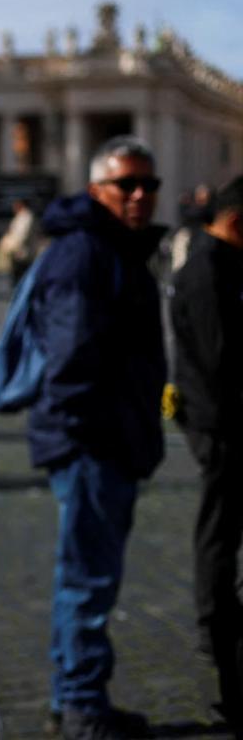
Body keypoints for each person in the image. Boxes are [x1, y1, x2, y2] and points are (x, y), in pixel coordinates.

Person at [28, 135, 167, 740]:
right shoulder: (86, 254)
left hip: (108, 436)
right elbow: (69, 360)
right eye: (126, 185)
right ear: (95, 190)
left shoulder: (110, 249)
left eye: (149, 185)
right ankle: (82, 705)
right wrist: (92, 435)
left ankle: (76, 697)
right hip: (95, 442)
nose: (140, 196)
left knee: (86, 576)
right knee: (87, 580)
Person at [170, 175, 243, 735]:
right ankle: (214, 623)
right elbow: (222, 358)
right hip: (221, 428)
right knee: (219, 536)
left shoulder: (212, 265)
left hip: (218, 422)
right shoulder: (209, 272)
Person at [0, 198, 40, 286]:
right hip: (18, 251)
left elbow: (22, 235)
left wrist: (12, 244)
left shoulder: (27, 217)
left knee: (23, 275)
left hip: (22, 251)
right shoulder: (21, 217)